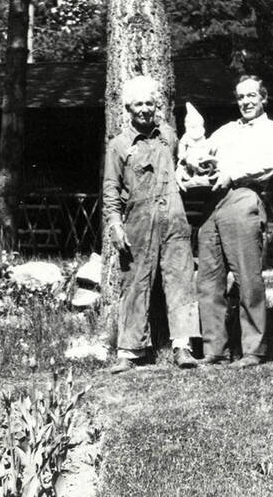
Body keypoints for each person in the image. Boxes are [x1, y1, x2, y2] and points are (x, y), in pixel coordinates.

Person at [103, 74, 200, 374]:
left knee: (181, 280)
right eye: (138, 104)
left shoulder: (168, 136)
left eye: (149, 103)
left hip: (173, 219)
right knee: (133, 284)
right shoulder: (119, 145)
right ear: (129, 109)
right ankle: (128, 351)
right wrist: (115, 224)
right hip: (138, 223)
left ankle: (183, 347)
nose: (145, 109)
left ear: (156, 106)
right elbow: (110, 189)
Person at [192, 75, 273, 368]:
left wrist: (232, 174)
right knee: (209, 277)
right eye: (241, 97)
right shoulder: (226, 131)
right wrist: (194, 163)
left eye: (251, 96)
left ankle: (253, 349)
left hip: (245, 196)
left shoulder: (272, 130)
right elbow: (200, 152)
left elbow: (272, 162)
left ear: (263, 98)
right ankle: (215, 349)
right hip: (213, 202)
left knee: (248, 277)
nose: (246, 102)